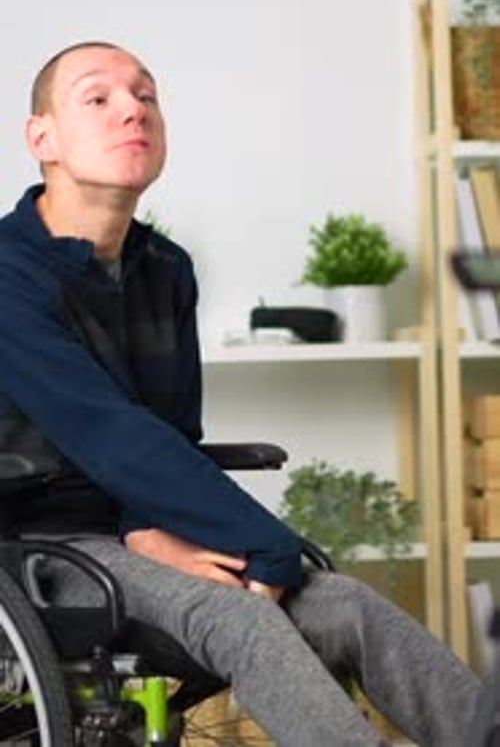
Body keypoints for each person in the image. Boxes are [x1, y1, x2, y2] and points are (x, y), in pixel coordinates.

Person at [0, 41, 480, 746]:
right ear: (42, 137)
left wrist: (149, 529)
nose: (133, 109)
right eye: (99, 98)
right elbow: (107, 433)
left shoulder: (165, 269)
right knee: (242, 615)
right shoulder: (9, 275)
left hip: (137, 529)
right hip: (40, 545)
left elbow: (167, 429)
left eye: (147, 96)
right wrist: (266, 547)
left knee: (345, 605)